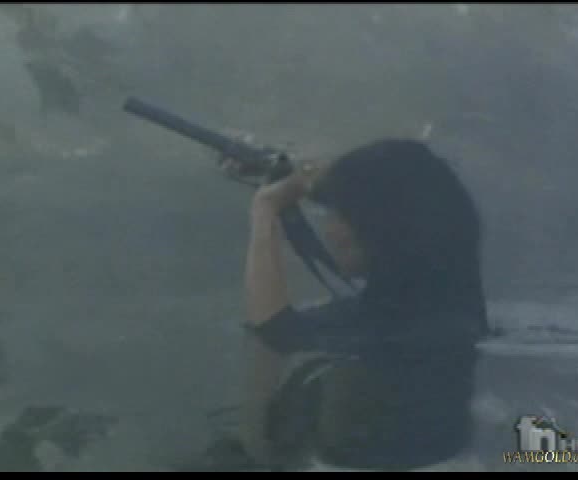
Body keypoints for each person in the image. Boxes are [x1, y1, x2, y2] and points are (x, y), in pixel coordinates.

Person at [204, 139, 489, 471]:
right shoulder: (449, 305)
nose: (330, 229)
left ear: (379, 229)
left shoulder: (383, 329)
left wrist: (265, 208)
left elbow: (274, 332)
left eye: (339, 214)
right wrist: (298, 175)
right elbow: (405, 182)